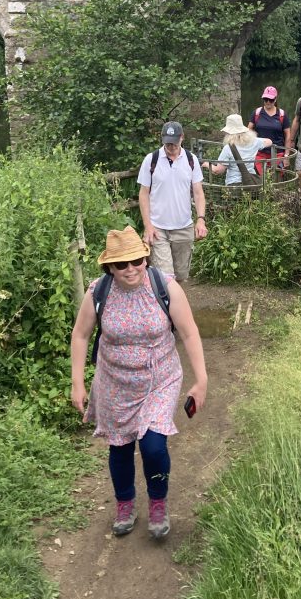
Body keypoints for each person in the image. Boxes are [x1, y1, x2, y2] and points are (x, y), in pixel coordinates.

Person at [70, 226, 208, 540]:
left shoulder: (165, 287)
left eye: (137, 261)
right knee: (119, 447)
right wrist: (77, 382)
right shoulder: (98, 292)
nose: (131, 269)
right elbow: (80, 336)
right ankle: (125, 503)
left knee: (153, 445)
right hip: (114, 381)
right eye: (122, 264)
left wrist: (201, 380)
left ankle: (158, 502)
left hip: (159, 377)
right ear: (109, 267)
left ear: (145, 258)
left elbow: (188, 333)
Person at [138, 121, 207, 282]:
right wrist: (148, 226)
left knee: (181, 276)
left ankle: (174, 305)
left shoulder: (191, 160)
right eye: (168, 143)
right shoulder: (151, 160)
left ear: (182, 138)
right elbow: (143, 194)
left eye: (174, 142)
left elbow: (198, 193)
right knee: (165, 278)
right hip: (158, 228)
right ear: (162, 139)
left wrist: (201, 220)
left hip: (184, 227)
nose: (171, 146)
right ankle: (164, 307)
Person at [204, 114, 272, 185]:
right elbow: (269, 142)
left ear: (228, 132)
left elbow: (218, 171)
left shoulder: (228, 148)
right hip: (251, 183)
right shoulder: (254, 142)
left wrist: (205, 164)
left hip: (234, 184)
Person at [247, 85, 292, 176]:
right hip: (260, 153)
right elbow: (248, 131)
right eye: (265, 99)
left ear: (275, 99)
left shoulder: (282, 115)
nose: (268, 102)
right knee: (263, 180)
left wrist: (286, 155)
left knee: (276, 180)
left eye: (271, 100)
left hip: (278, 154)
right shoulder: (257, 113)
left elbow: (288, 136)